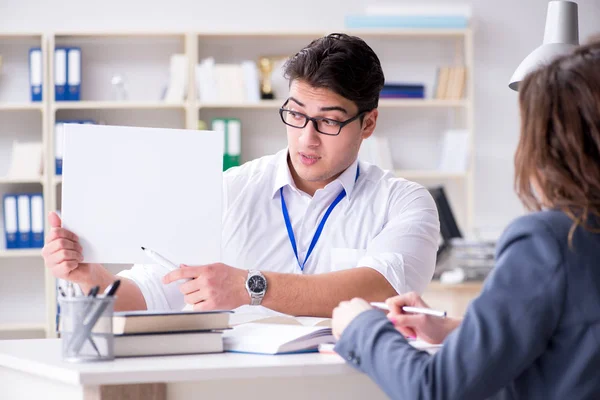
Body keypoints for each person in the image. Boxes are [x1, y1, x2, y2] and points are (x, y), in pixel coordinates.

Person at [42, 33, 440, 318]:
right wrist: (90, 278)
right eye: (296, 114)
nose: (307, 138)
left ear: (368, 123)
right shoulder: (230, 188)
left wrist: (251, 287)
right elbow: (154, 291)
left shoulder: (402, 202)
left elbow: (380, 288)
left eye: (328, 122)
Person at [331, 40, 600, 399]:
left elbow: (434, 389)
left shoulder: (549, 242)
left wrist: (361, 328)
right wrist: (462, 331)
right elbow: (574, 342)